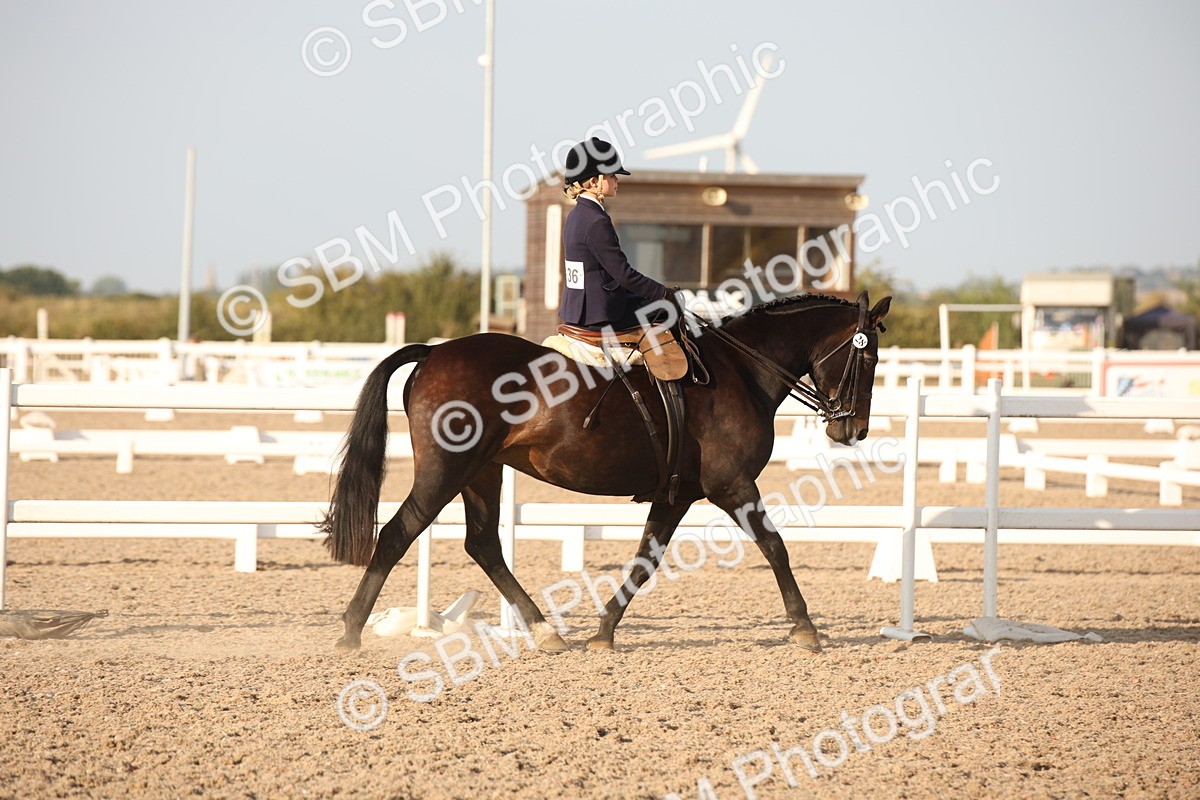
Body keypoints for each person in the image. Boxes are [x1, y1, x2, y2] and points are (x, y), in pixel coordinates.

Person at [558, 137, 675, 331]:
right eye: (612, 176)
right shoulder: (596, 220)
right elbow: (623, 274)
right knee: (669, 307)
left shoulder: (576, 214)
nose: (617, 180)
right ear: (594, 181)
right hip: (600, 313)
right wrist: (663, 293)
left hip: (577, 309)